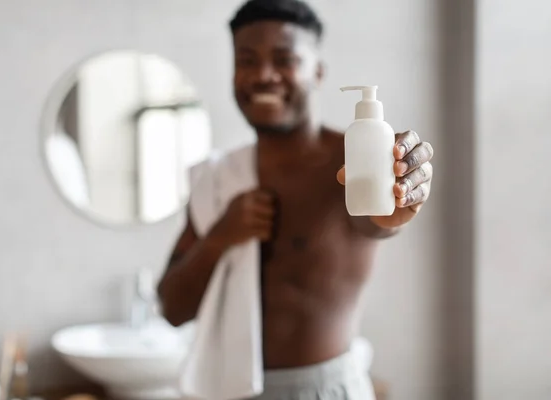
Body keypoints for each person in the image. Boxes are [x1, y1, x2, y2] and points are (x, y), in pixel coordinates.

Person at [157, 0, 434, 398]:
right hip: (232, 390)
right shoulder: (219, 179)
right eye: (247, 60)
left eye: (284, 59)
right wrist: (220, 236)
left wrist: (396, 207)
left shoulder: (353, 159)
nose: (264, 75)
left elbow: (374, 220)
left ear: (317, 72)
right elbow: (171, 309)